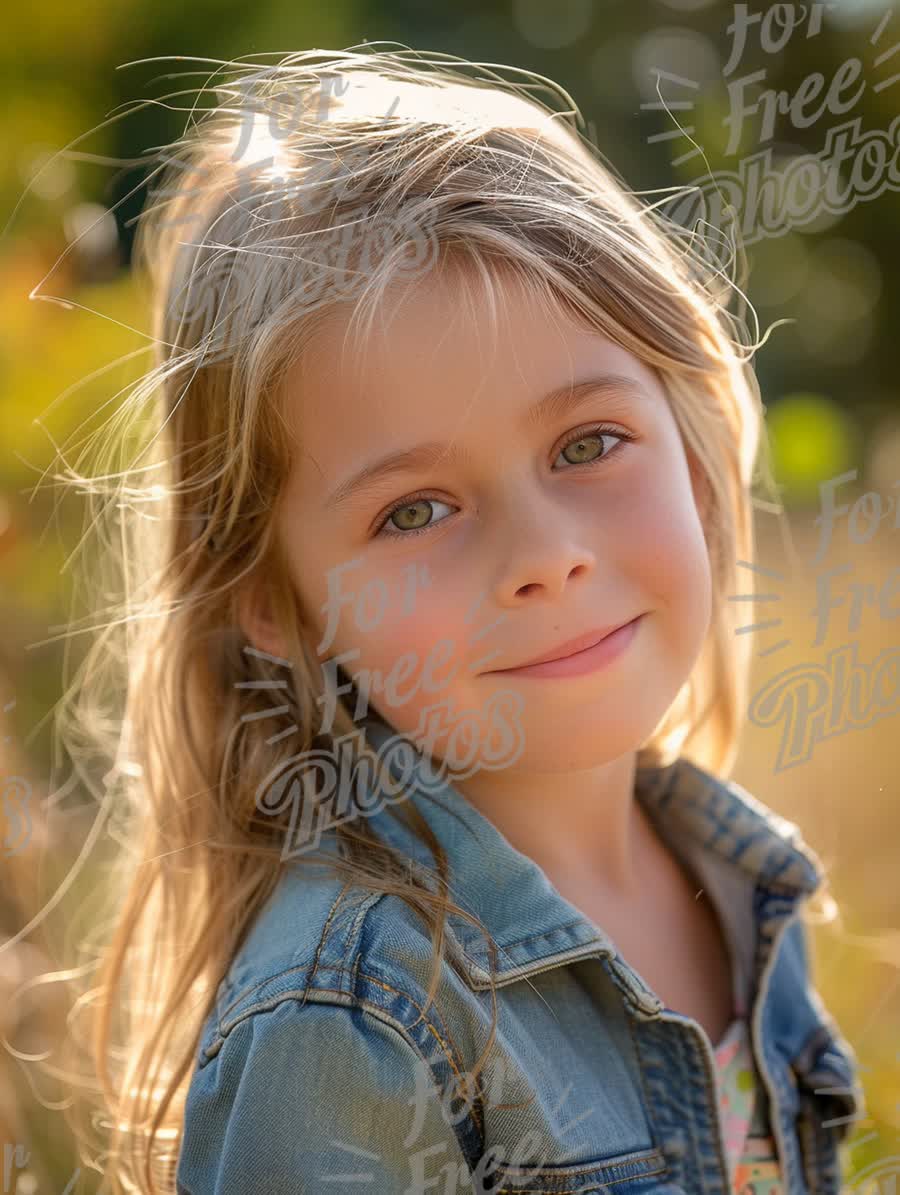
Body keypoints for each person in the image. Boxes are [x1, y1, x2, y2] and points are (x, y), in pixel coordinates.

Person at [73, 46, 865, 1194]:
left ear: (691, 441)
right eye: (416, 510)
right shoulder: (349, 1026)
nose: (546, 559)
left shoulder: (735, 878)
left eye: (587, 443)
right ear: (271, 600)